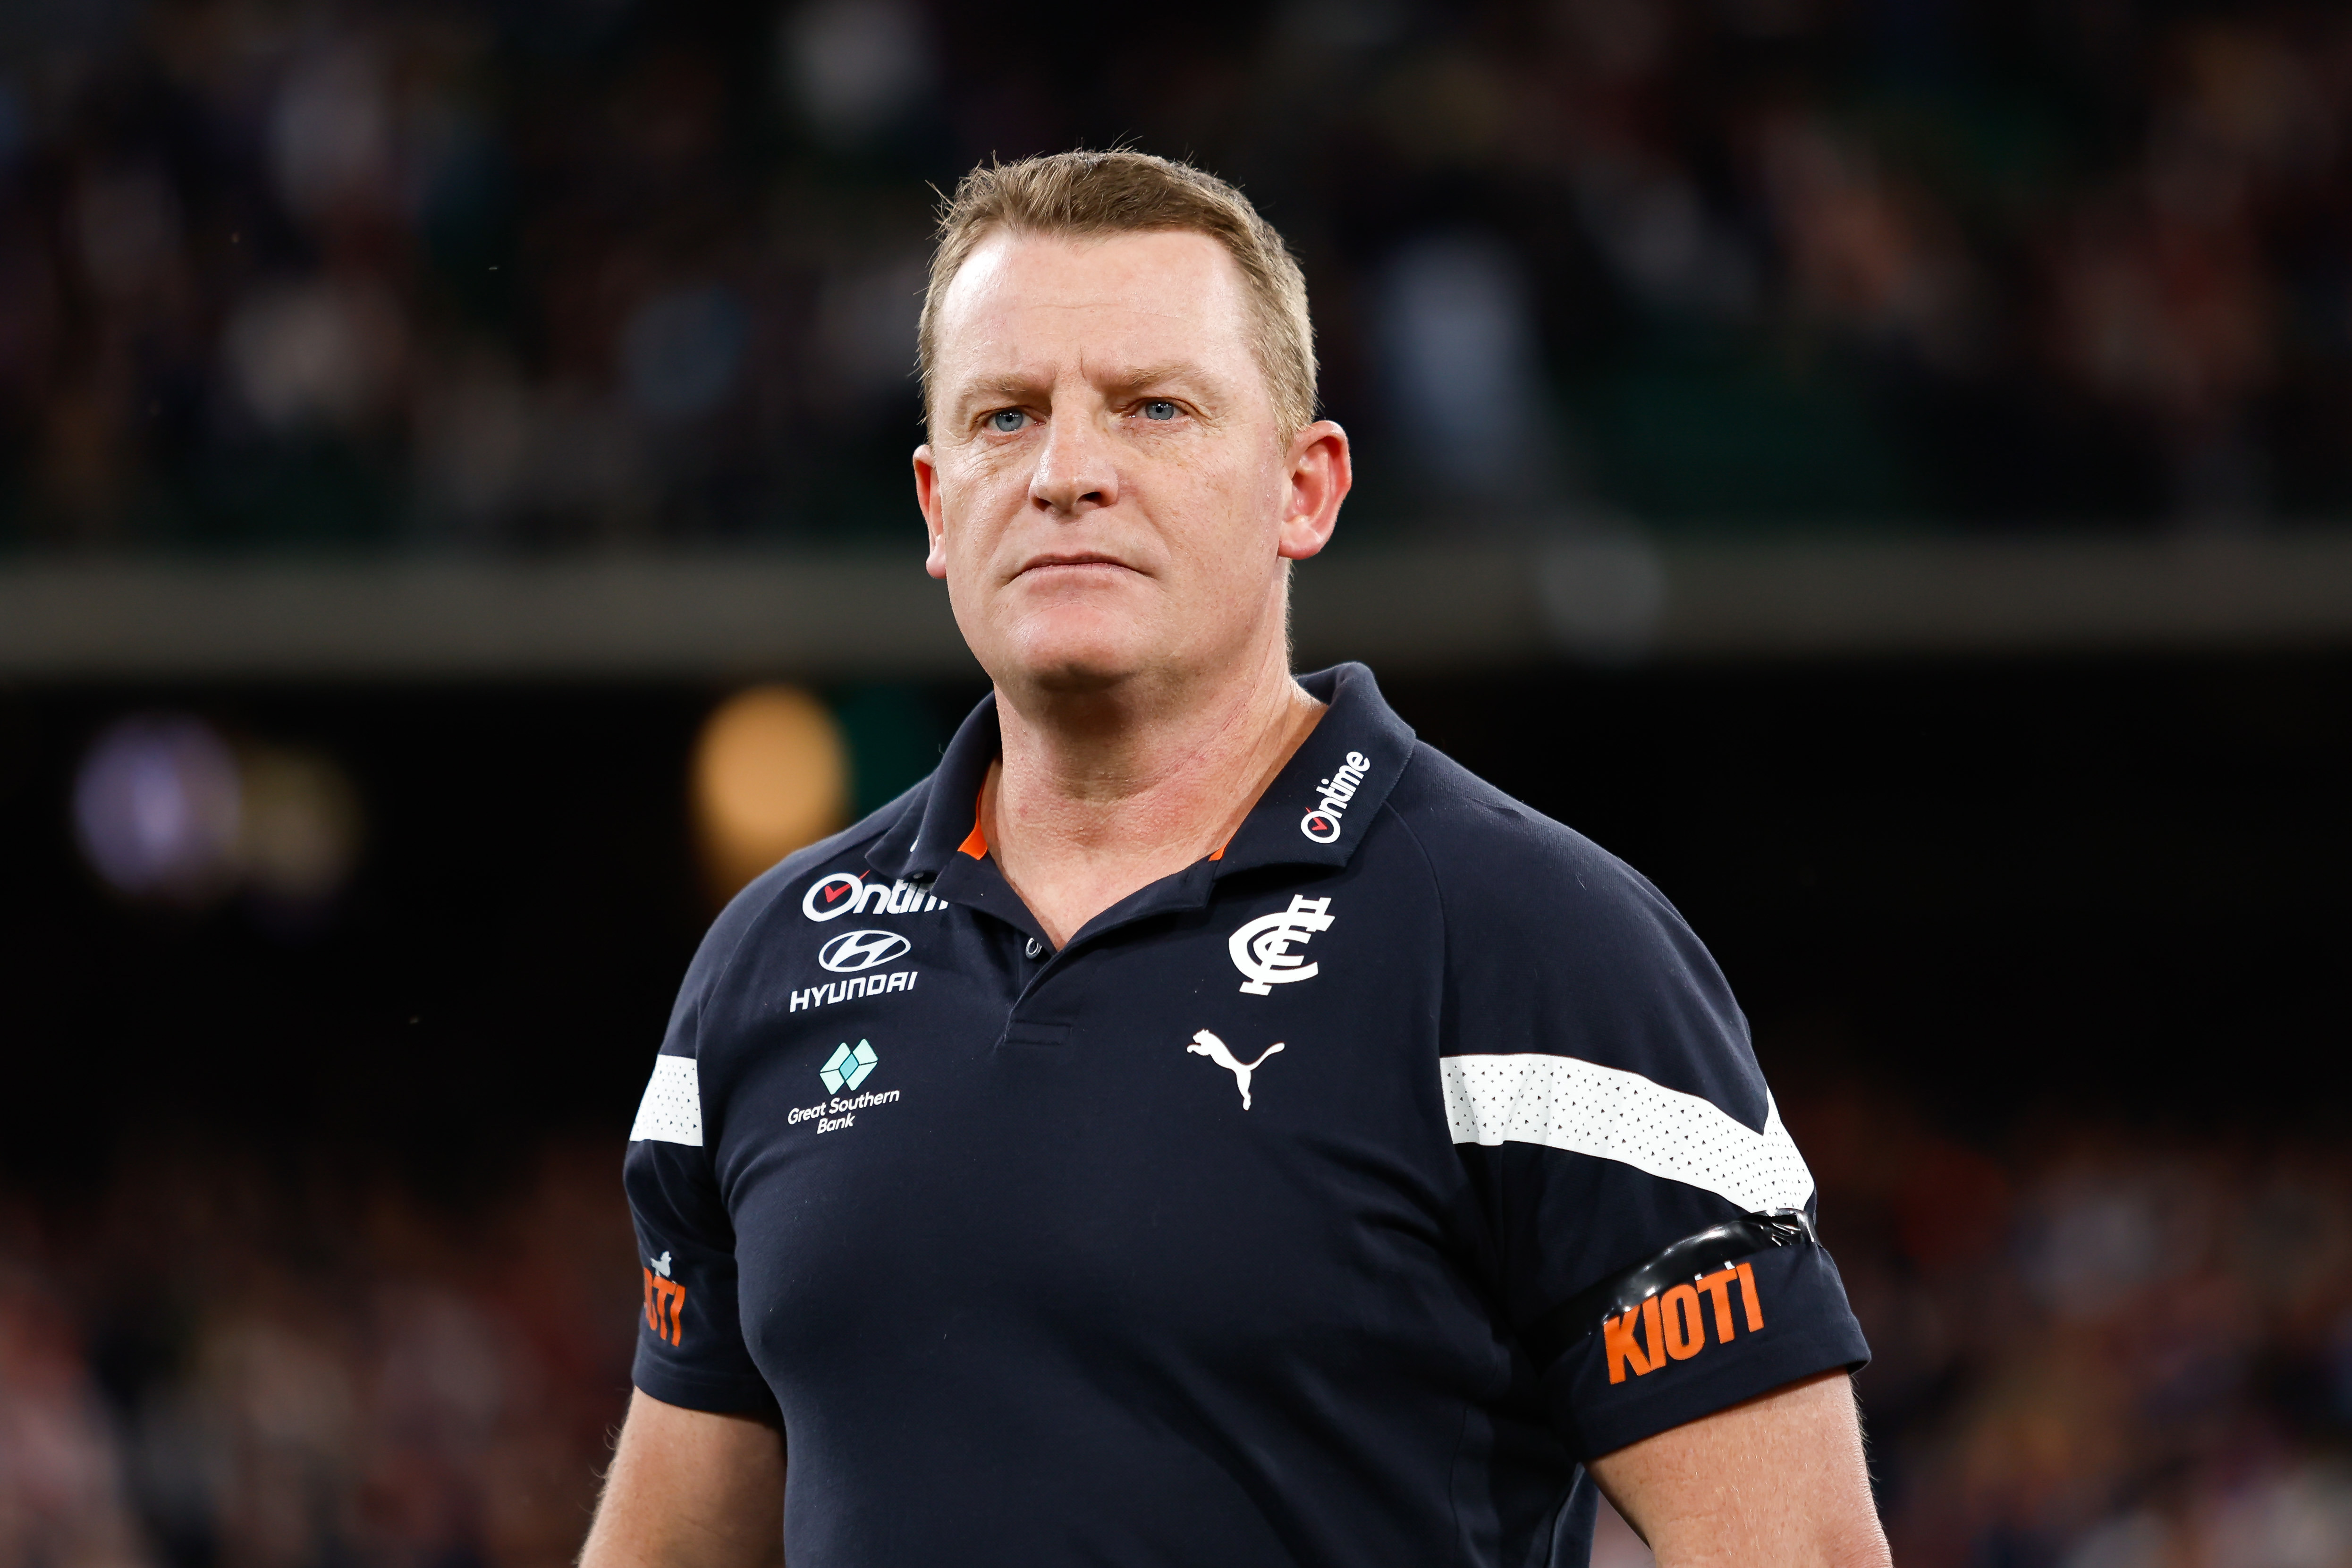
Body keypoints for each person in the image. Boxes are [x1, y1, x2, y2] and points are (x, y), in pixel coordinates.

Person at [581, 150, 1890, 1568]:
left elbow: (1798, 1552)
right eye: (1005, 418)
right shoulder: (769, 963)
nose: (1068, 474)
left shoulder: (1545, 945)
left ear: (1305, 489)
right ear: (935, 507)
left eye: (1154, 409)